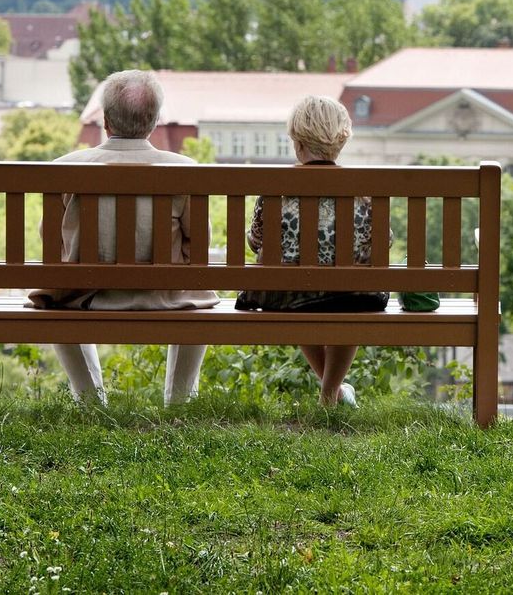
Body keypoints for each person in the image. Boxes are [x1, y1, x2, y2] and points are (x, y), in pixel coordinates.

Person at [27, 70, 217, 404]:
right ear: (155, 122)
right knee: (198, 286)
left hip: (86, 297)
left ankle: (89, 399)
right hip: (168, 297)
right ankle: (179, 399)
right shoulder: (186, 170)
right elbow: (198, 246)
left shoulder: (65, 168)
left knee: (55, 291)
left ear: (106, 121)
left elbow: (50, 242)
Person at [235, 95, 387, 406]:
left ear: (298, 144)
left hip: (288, 295)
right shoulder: (365, 190)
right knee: (350, 290)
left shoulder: (276, 188)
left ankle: (332, 393)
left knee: (297, 287)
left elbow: (255, 241)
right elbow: (382, 241)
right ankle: (331, 393)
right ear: (341, 142)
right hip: (355, 296)